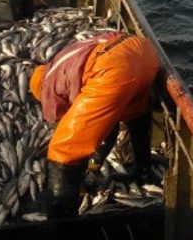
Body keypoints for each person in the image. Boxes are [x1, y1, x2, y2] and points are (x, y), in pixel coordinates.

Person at [29, 31, 160, 218]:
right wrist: (95, 161)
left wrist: (75, 168)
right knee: (134, 112)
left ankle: (60, 216)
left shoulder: (48, 85)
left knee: (63, 149)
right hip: (143, 50)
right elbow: (105, 123)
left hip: (113, 67)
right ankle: (143, 170)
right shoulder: (63, 59)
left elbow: (67, 127)